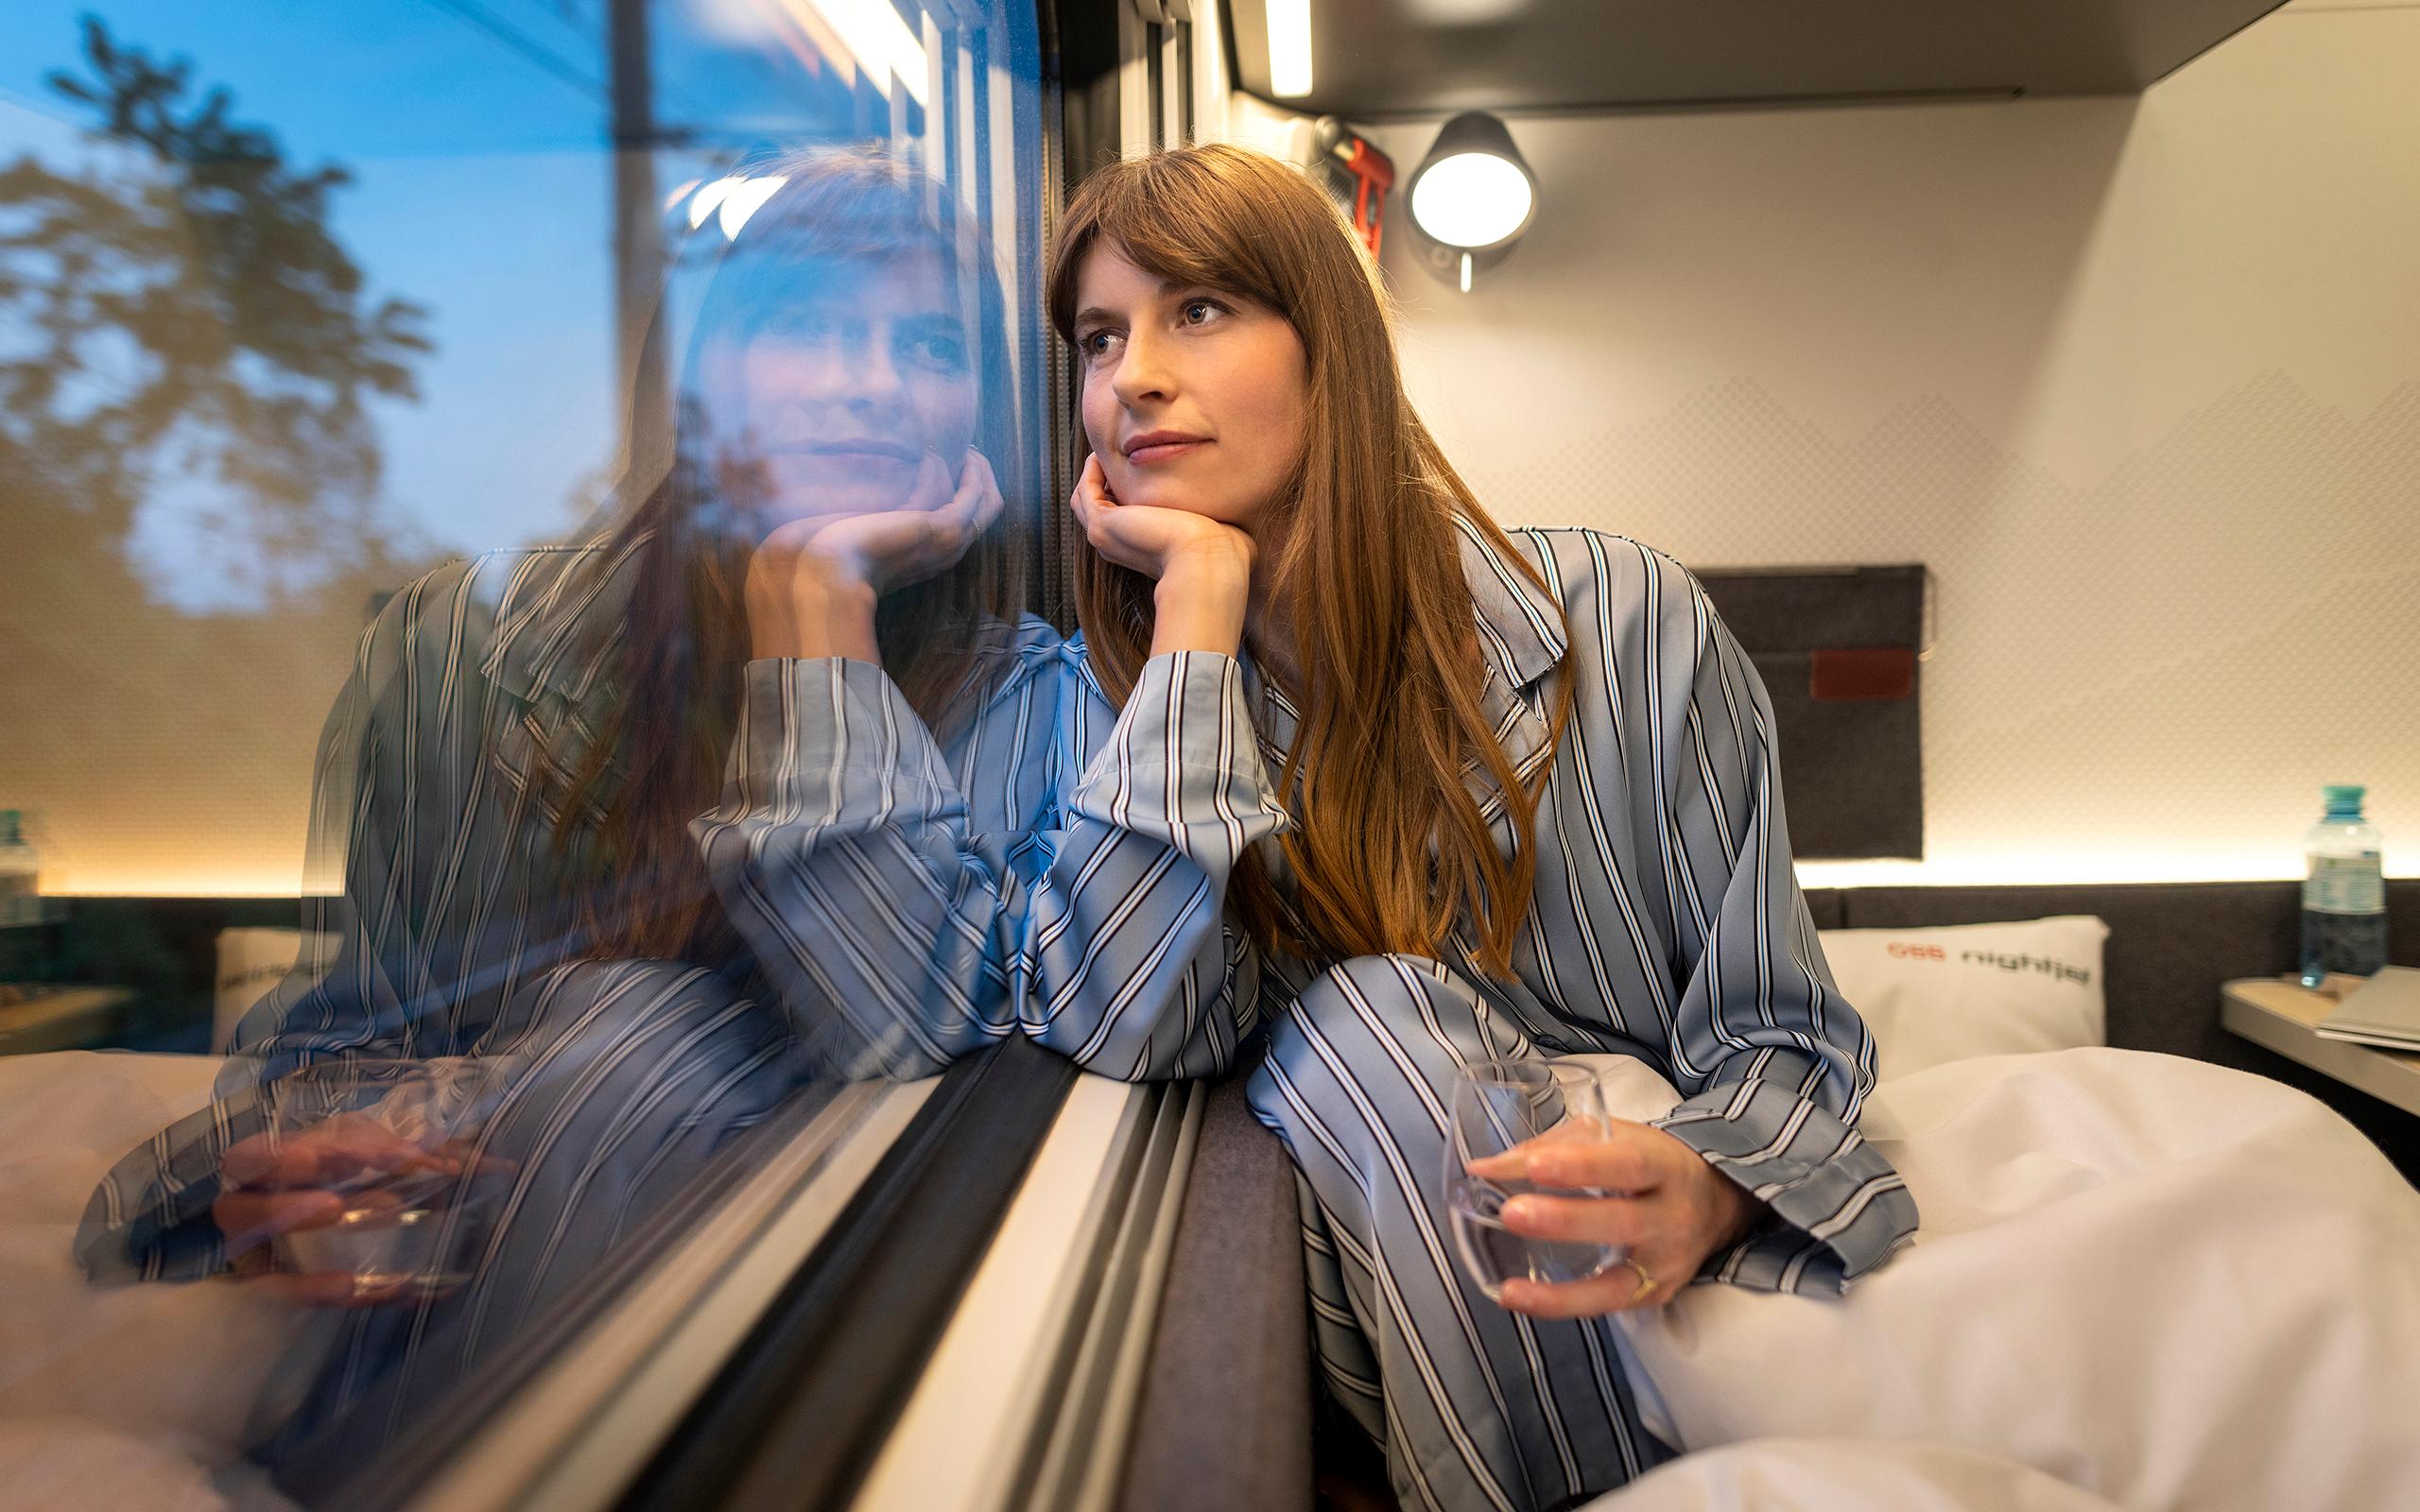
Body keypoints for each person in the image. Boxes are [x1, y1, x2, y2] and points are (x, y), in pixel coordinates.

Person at [67, 145, 1245, 1497]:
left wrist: (819, 611)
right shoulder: (475, 655)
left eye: (923, 343)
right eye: (809, 327)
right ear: (699, 374)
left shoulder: (1030, 696)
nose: (871, 380)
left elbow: (910, 1033)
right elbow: (341, 1040)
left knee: (642, 1036)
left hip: (862, 1344)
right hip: (477, 1340)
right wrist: (274, 1167)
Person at [1045, 142, 1921, 1512]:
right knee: (1372, 1018)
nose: (1133, 377)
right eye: (1101, 338)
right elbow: (1129, 1030)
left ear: (1327, 345)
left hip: (1691, 1256)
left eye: (1197, 311)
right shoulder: (1134, 711)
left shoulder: (1626, 625)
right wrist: (1199, 616)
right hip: (1408, 1313)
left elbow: (1785, 1034)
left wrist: (1711, 1182)